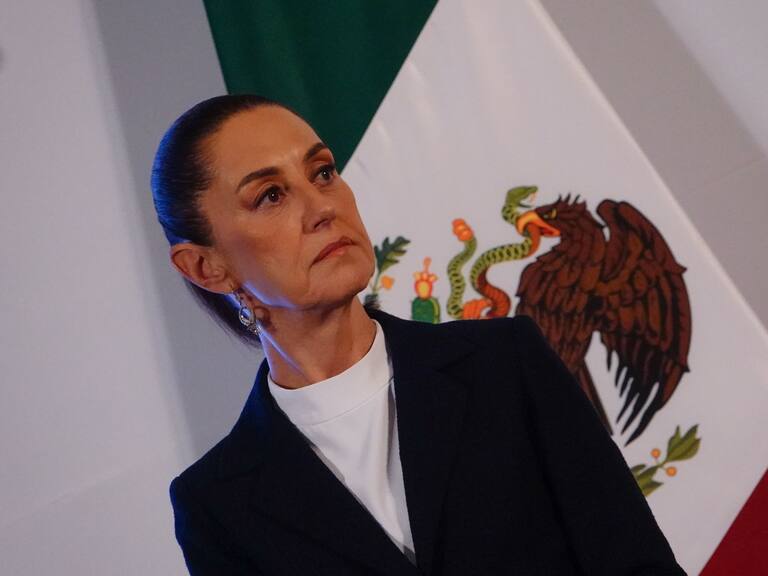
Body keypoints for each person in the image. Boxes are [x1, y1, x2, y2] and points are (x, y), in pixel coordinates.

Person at [152, 94, 686, 575]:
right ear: (205, 267)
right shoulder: (216, 505)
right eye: (270, 195)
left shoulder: (506, 364)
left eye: (322, 172)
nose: (323, 207)